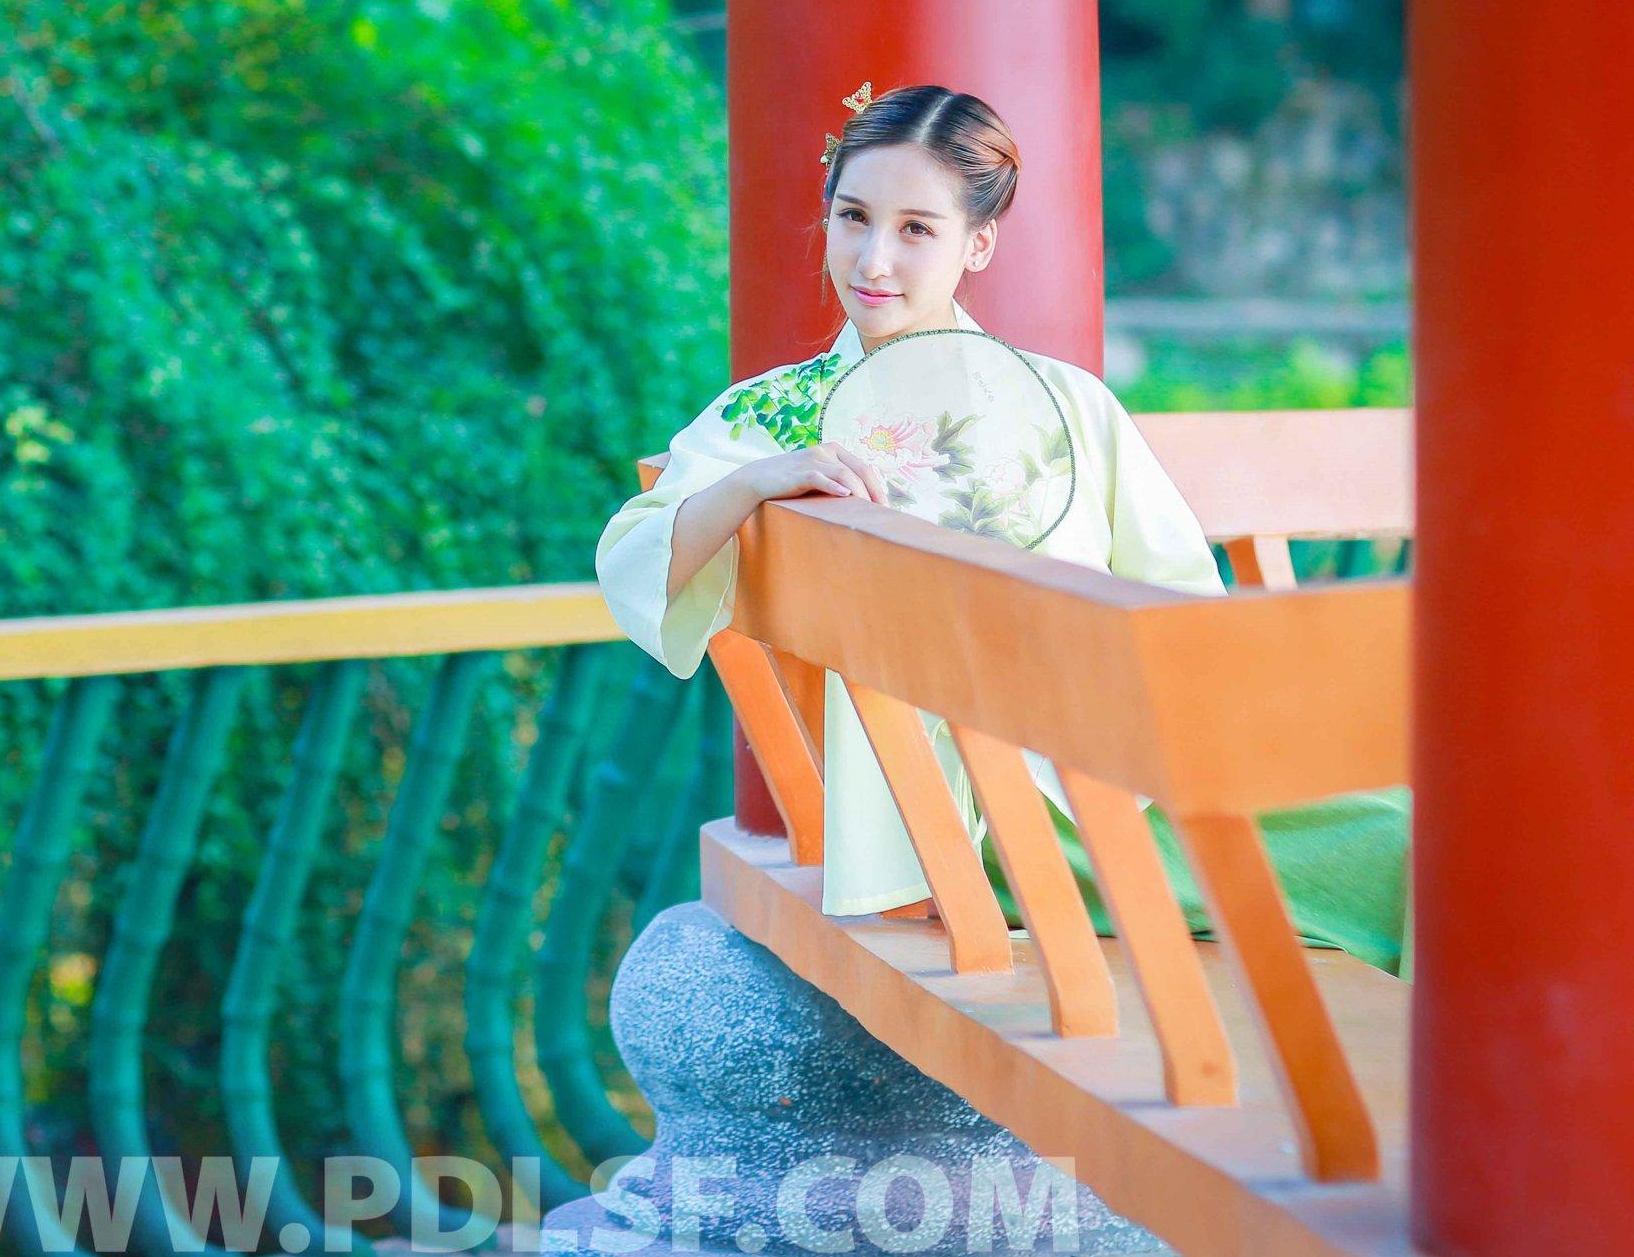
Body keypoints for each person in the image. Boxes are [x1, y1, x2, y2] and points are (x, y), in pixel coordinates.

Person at [594, 83, 1409, 976]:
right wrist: (757, 479)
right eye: (853, 216)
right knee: (1415, 850)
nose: (873, 258)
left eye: (916, 228)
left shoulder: (1067, 402)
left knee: (1433, 821)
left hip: (1123, 764)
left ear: (977, 241)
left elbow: (1185, 610)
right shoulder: (773, 417)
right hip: (986, 824)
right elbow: (632, 558)